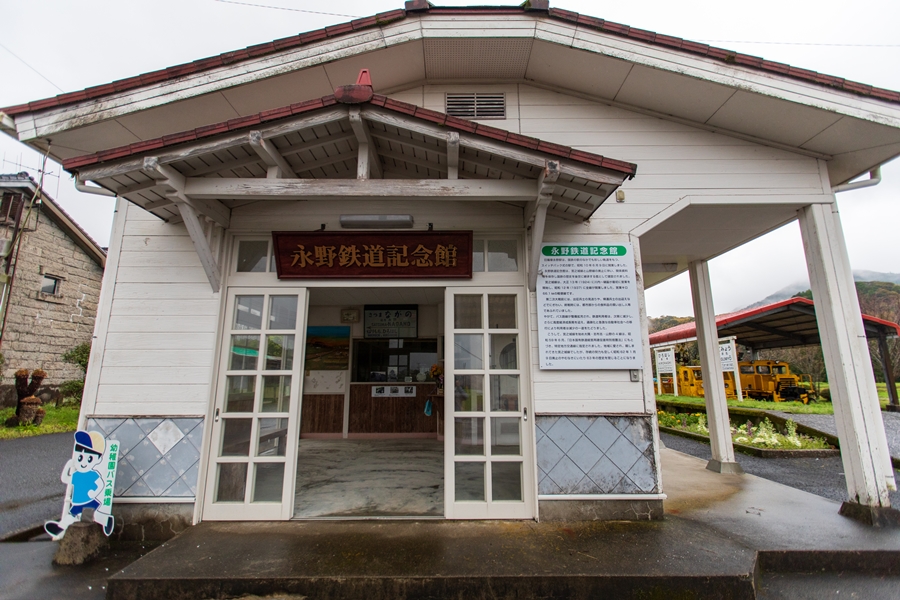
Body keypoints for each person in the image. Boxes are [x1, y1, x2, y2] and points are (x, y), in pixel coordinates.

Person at [44, 430, 115, 539]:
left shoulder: (93, 474)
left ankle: (106, 520)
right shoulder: (76, 474)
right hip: (77, 502)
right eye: (80, 458)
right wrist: (68, 466)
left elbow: (101, 484)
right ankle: (59, 528)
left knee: (93, 516)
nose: (83, 462)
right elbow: (65, 479)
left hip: (90, 500)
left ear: (98, 459)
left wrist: (94, 492)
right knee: (72, 517)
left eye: (89, 458)